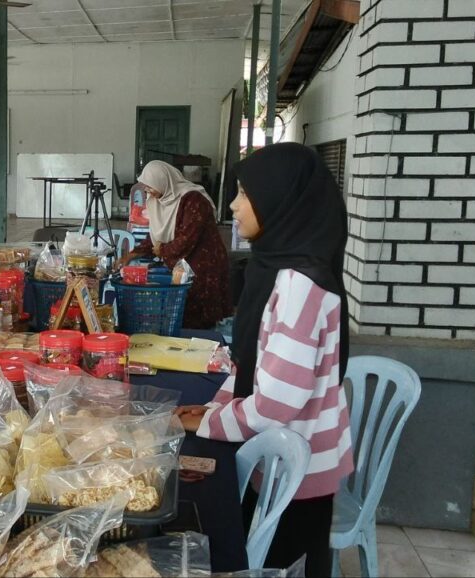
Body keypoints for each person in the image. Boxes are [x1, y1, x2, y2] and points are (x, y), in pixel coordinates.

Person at [175, 143, 353, 577]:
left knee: (287, 564)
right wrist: (213, 409)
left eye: (244, 193)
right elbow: (252, 363)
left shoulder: (299, 286)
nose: (233, 205)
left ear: (278, 200)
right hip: (283, 455)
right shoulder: (280, 267)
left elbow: (276, 404)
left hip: (296, 467)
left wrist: (209, 423)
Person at [117, 160, 230, 329]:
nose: (147, 190)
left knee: (199, 320)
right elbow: (155, 236)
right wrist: (131, 255)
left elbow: (187, 238)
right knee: (182, 316)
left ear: (163, 181)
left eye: (150, 186)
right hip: (182, 266)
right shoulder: (158, 201)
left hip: (203, 264)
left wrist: (161, 250)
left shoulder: (193, 199)